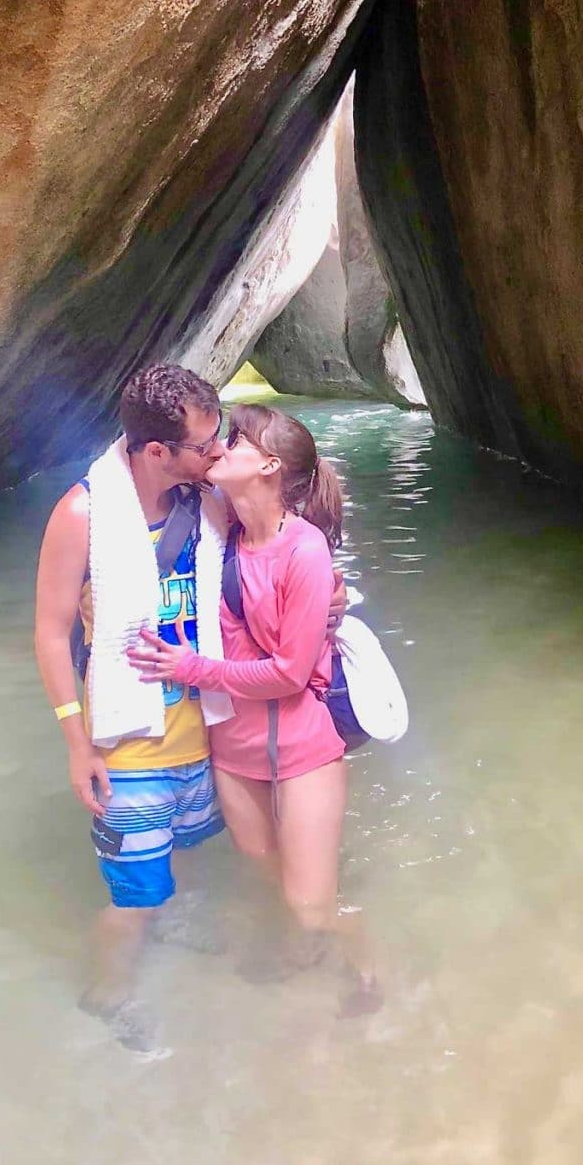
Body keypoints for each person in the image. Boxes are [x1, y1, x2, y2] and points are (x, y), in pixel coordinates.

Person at [34, 365, 344, 1049]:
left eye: (218, 439)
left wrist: (332, 599)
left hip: (206, 737)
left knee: (183, 876)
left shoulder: (205, 504)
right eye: (203, 443)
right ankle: (105, 998)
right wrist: (76, 742)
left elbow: (286, 528)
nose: (214, 453)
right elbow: (51, 631)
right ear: (155, 452)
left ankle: (224, 946)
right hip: (130, 747)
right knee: (130, 904)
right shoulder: (83, 514)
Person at [129, 404, 381, 1016]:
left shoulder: (305, 549)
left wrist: (190, 669)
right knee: (272, 880)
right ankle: (307, 951)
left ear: (268, 465)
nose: (219, 449)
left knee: (309, 905)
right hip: (233, 753)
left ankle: (369, 968)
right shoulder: (214, 534)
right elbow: (137, 455)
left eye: (234, 440)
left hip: (303, 749)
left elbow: (291, 673)